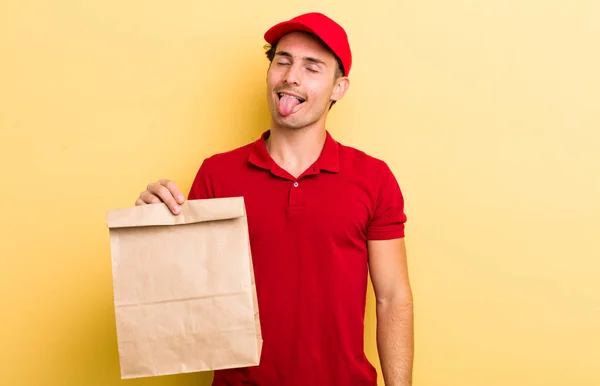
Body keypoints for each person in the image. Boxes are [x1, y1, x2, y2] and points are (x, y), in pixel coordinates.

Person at [135, 12, 414, 386]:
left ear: (338, 88)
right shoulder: (218, 174)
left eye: (312, 67)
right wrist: (151, 229)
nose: (291, 76)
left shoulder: (373, 178)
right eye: (282, 61)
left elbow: (393, 298)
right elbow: (181, 298)